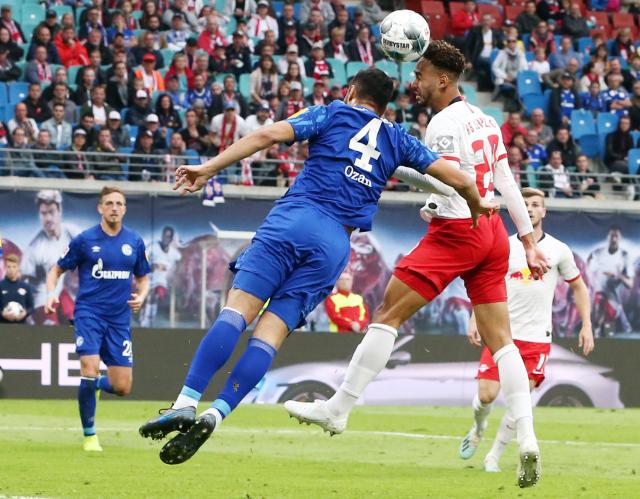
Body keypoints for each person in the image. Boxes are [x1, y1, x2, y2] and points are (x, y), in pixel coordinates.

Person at [138, 66, 495, 465]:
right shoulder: (398, 139)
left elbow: (265, 135)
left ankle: (186, 401)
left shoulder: (331, 113)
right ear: (385, 104)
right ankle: (216, 413)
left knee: (237, 313)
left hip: (295, 219)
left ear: (351, 90)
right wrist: (478, 202)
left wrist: (208, 168)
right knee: (269, 336)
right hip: (333, 246)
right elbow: (460, 178)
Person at [285, 41, 549, 489]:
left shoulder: (443, 124)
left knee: (387, 315)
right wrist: (528, 241)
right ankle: (527, 437)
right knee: (503, 342)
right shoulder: (486, 119)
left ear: (442, 79)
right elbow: (504, 180)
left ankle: (339, 409)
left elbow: (447, 177)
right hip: (493, 235)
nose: (415, 81)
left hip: (458, 231)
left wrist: (401, 169)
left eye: (422, 74)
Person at [459, 187, 594, 472]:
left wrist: (587, 325)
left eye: (536, 204)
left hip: (536, 339)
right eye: (525, 204)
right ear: (516, 210)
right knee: (486, 396)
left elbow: (579, 287)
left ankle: (493, 456)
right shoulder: (503, 246)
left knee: (518, 402)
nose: (530, 209)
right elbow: (482, 283)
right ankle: (478, 427)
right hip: (501, 334)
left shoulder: (558, 250)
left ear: (544, 211)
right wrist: (475, 318)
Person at [44, 186, 150, 452]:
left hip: (119, 320)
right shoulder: (84, 240)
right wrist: (50, 295)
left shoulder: (135, 242)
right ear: (100, 208)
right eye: (109, 203)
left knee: (122, 386)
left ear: (124, 209)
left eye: (119, 203)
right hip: (88, 314)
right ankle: (90, 436)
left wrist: (142, 295)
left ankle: (95, 387)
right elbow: (56, 270)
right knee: (89, 368)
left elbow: (143, 277)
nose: (114, 207)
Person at [21, 190, 80, 324]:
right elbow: (24, 282)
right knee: (52, 331)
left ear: (60, 211)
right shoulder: (34, 248)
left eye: (51, 212)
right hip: (44, 301)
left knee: (78, 324)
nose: (48, 218)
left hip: (67, 298)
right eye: (43, 213)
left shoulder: (72, 233)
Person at [587, 226, 633, 336]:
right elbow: (590, 259)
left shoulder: (624, 256)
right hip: (600, 293)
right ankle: (597, 331)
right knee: (599, 307)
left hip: (613, 300)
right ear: (608, 238)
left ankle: (609, 331)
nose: (614, 239)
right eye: (612, 236)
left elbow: (630, 284)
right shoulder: (599, 252)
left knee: (609, 330)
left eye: (616, 236)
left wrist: (619, 276)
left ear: (620, 238)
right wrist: (589, 273)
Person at [140, 226, 182, 328]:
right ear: (162, 236)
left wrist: (174, 272)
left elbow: (180, 261)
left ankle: (149, 319)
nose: (166, 239)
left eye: (168, 237)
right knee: (148, 297)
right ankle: (145, 315)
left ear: (171, 239)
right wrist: (150, 265)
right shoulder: (153, 246)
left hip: (162, 280)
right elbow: (143, 256)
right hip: (149, 276)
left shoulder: (173, 252)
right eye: (165, 236)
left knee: (154, 294)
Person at [0, 254, 34, 324]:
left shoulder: (25, 286)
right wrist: (2, 314)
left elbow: (31, 307)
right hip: (3, 326)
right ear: (5, 268)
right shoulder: (1, 285)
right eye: (9, 267)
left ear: (18, 267)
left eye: (14, 267)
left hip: (21, 327)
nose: (11, 269)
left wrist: (25, 313)